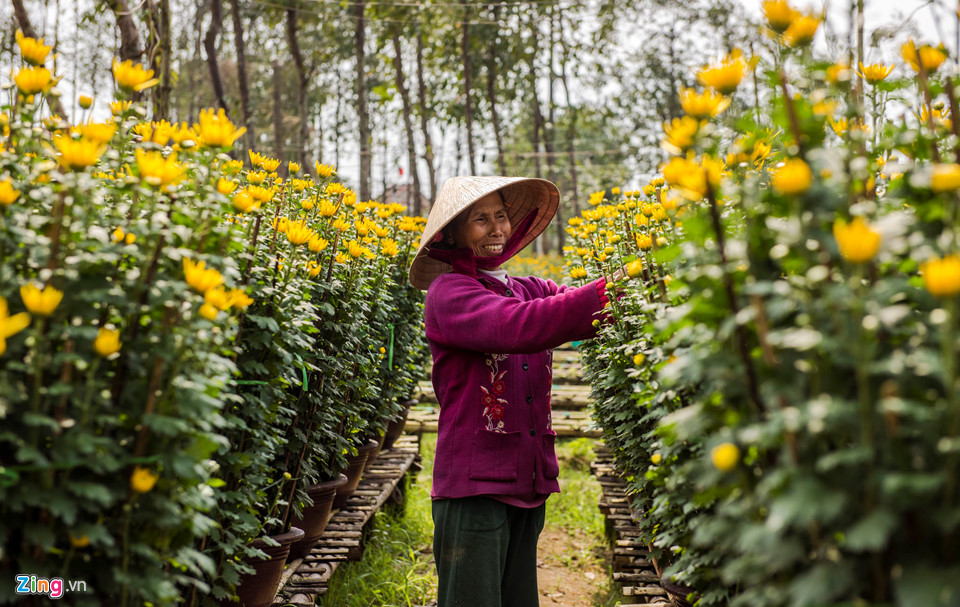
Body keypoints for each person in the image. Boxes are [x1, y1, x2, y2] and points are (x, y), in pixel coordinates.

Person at [408, 176, 615, 607]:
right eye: (480, 220)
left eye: (501, 216)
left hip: (526, 478)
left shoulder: (527, 289)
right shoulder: (448, 294)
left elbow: (565, 309)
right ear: (453, 234)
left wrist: (632, 292)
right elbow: (519, 324)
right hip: (473, 488)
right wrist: (607, 293)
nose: (496, 228)